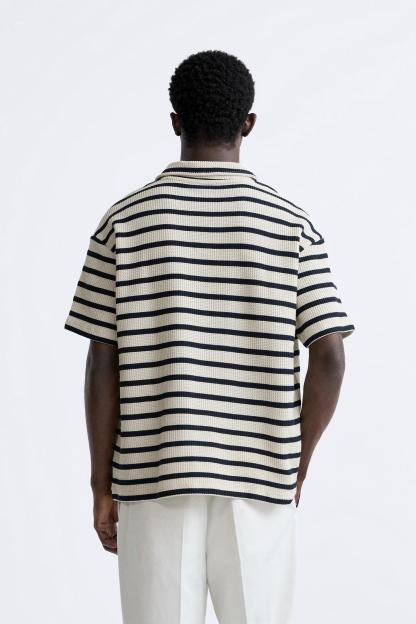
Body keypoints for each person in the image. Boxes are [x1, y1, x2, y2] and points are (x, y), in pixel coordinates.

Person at [64, 49, 355, 624]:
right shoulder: (290, 225)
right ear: (249, 123)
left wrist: (102, 482)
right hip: (259, 479)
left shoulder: (124, 222)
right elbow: (331, 354)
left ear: (175, 121)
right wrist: (294, 462)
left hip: (153, 473)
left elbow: (103, 360)